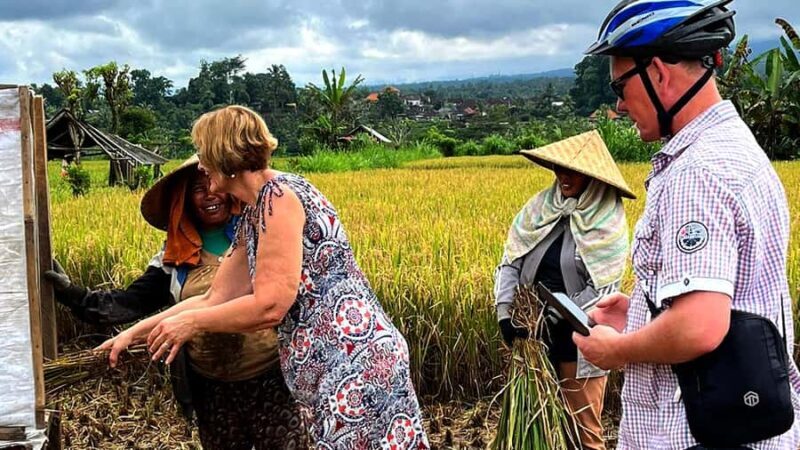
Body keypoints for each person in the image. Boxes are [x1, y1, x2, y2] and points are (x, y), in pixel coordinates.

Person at [97, 106, 430, 449]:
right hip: (328, 370)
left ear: (224, 155)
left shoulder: (279, 198)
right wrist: (133, 333)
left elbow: (270, 306)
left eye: (203, 153)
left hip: (353, 364)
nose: (201, 166)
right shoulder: (256, 213)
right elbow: (214, 297)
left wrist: (192, 324)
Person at [573, 1, 800, 448]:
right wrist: (641, 313)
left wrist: (616, 350)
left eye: (620, 86)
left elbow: (699, 326)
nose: (619, 105)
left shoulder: (697, 172)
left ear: (657, 73)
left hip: (700, 434)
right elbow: (729, 302)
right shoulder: (735, 147)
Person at [46, 155, 308, 450]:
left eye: (213, 183)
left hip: (272, 376)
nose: (210, 194)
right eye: (197, 189)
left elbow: (283, 297)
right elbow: (128, 303)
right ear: (184, 200)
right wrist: (73, 294)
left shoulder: (259, 232)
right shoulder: (173, 258)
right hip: (211, 384)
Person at [494, 130, 634, 450]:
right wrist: (505, 314)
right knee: (535, 425)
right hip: (532, 337)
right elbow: (511, 262)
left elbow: (603, 288)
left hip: (580, 340)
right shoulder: (541, 210)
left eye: (573, 171)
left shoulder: (606, 223)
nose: (563, 177)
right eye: (559, 168)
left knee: (581, 432)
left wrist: (557, 315)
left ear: (592, 177)